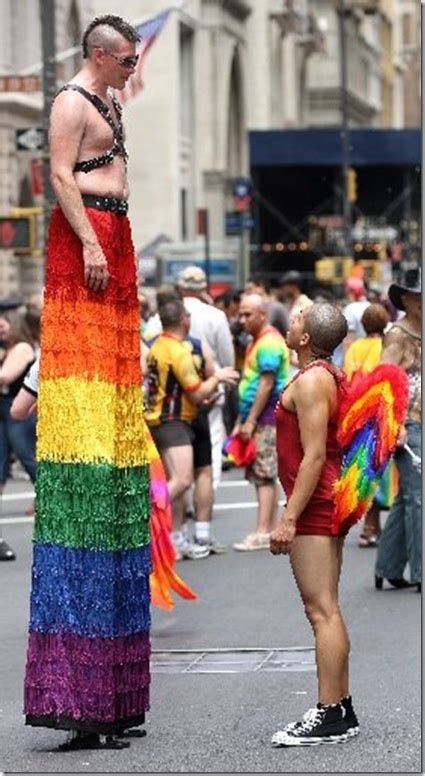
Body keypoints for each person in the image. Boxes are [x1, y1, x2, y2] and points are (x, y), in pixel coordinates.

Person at [23, 15, 153, 750]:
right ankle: (78, 699)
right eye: (126, 55)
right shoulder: (72, 101)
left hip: (116, 237)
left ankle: (113, 698)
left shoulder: (113, 103)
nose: (133, 64)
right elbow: (61, 178)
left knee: (112, 426)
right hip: (91, 240)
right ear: (100, 54)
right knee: (83, 435)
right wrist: (87, 241)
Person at [270, 302, 359, 747]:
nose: (292, 320)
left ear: (305, 339)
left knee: (320, 609)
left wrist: (289, 518)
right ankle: (340, 705)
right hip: (326, 500)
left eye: (299, 318)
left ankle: (328, 712)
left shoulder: (311, 382)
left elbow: (314, 455)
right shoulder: (326, 375)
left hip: (316, 504)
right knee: (327, 607)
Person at [144, 298, 238, 560]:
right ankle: (141, 512)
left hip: (159, 420)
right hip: (173, 421)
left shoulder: (155, 346)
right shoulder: (179, 351)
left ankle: (173, 537)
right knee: (184, 479)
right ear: (185, 320)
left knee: (170, 480)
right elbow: (196, 393)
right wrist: (217, 377)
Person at [375, 268, 421, 592]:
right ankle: (420, 572)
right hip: (409, 424)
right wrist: (395, 423)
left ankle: (387, 566)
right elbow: (383, 381)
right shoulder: (397, 334)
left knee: (409, 498)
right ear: (405, 299)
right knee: (418, 497)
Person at [233, 294, 289, 551]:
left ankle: (262, 531)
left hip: (266, 419)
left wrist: (251, 420)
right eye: (241, 314)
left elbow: (266, 383)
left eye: (248, 315)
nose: (242, 319)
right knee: (265, 474)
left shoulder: (267, 342)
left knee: (264, 475)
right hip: (261, 418)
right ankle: (266, 529)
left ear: (262, 315)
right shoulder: (259, 341)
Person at [176, 266, 235, 490]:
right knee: (212, 440)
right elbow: (226, 354)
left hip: (177, 388)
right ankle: (207, 492)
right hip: (211, 384)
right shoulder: (215, 315)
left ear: (180, 287)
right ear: (203, 288)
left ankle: (185, 496)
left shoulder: (169, 311)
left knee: (180, 441)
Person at [343, 303, 392, 547]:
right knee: (383, 472)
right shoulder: (387, 347)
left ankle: (370, 526)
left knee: (366, 470)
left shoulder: (354, 349)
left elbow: (348, 380)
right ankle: (373, 528)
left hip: (358, 415)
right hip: (381, 415)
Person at [0, 311, 37, 561]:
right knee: (0, 468)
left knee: (29, 459)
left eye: (4, 325)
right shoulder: (7, 348)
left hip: (16, 409)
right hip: (5, 410)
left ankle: (49, 500)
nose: (1, 329)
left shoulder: (22, 348)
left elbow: (5, 377)